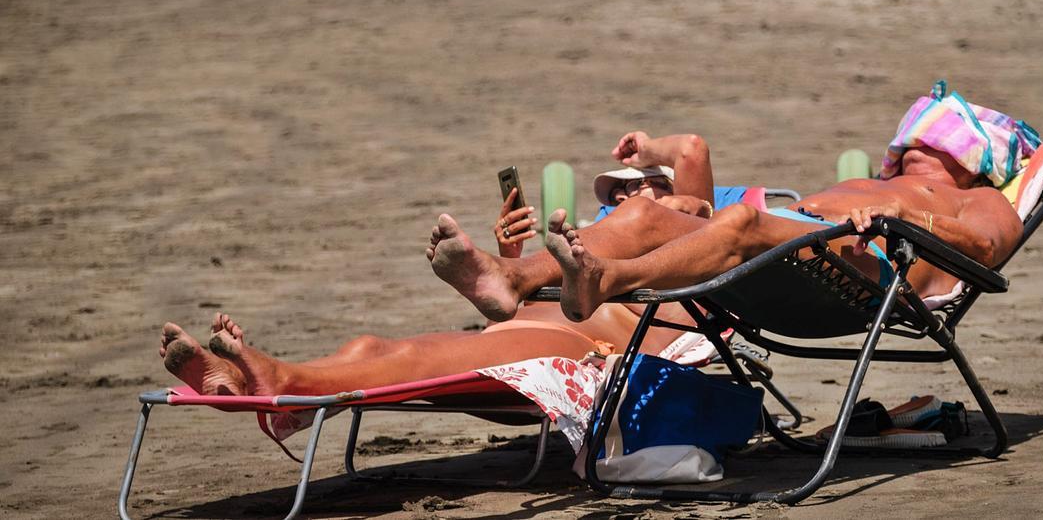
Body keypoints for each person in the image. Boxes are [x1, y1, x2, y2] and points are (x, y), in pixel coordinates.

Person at [159, 132, 718, 397]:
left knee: (418, 357)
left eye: (645, 187)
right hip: (536, 324)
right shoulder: (600, 239)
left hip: (597, 348)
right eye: (619, 192)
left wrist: (648, 153)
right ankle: (240, 378)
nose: (632, 195)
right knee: (370, 349)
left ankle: (282, 383)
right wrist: (514, 260)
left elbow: (692, 149)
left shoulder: (695, 224)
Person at [428, 139, 1026, 324]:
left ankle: (605, 278)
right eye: (914, 139)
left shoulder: (983, 199)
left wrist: (903, 220)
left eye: (939, 141)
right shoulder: (872, 180)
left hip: (875, 269)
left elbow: (983, 250)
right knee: (641, 212)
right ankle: (510, 277)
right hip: (809, 241)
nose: (918, 147)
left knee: (740, 221)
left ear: (976, 159)